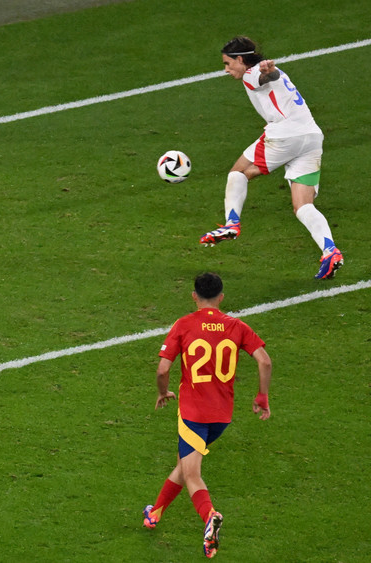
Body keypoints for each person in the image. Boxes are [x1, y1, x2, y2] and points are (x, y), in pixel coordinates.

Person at [142, 272, 271, 559]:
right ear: (221, 296)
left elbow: (163, 369)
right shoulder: (236, 326)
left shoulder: (184, 325)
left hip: (193, 414)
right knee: (184, 465)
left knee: (192, 473)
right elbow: (264, 360)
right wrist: (262, 396)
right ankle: (155, 513)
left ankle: (210, 517)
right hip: (222, 417)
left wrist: (162, 393)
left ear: (194, 295)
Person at [200, 36, 343, 280]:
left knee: (239, 172)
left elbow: (264, 78)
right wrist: (273, 72)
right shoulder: (270, 71)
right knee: (303, 206)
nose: (226, 69)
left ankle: (232, 223)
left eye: (227, 63)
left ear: (240, 59)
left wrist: (270, 72)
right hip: (311, 137)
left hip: (285, 135)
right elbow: (273, 78)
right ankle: (330, 251)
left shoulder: (252, 73)